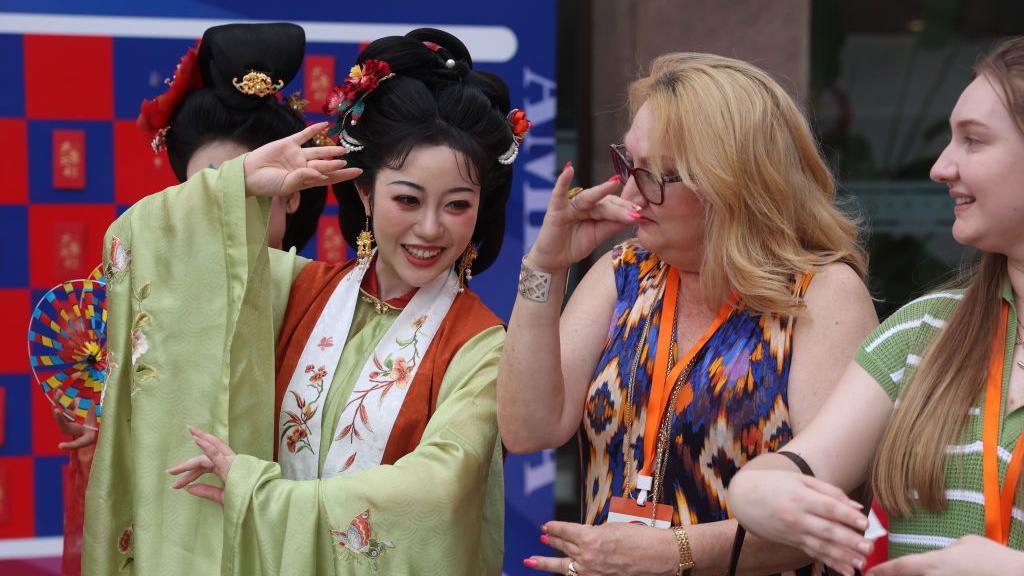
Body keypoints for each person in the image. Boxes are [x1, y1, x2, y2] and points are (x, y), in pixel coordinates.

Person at [87, 28, 521, 575]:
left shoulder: (480, 345)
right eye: (407, 199)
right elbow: (150, 260)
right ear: (364, 191)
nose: (430, 228)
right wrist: (238, 182)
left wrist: (259, 494)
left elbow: (436, 491)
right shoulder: (296, 288)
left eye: (457, 205)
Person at [497, 53, 876, 575]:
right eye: (625, 164)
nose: (628, 193)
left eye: (652, 177)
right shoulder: (625, 271)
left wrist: (674, 553)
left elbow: (829, 516)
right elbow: (526, 428)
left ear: (729, 185)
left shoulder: (821, 294)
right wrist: (545, 266)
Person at [728, 37, 1024, 576]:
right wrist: (756, 490)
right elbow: (801, 464)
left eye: (973, 141)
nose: (940, 167)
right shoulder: (925, 330)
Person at [53, 22, 324, 576]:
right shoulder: (147, 270)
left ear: (294, 191)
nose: (233, 203)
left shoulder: (321, 290)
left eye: (254, 184)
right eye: (212, 188)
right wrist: (106, 419)